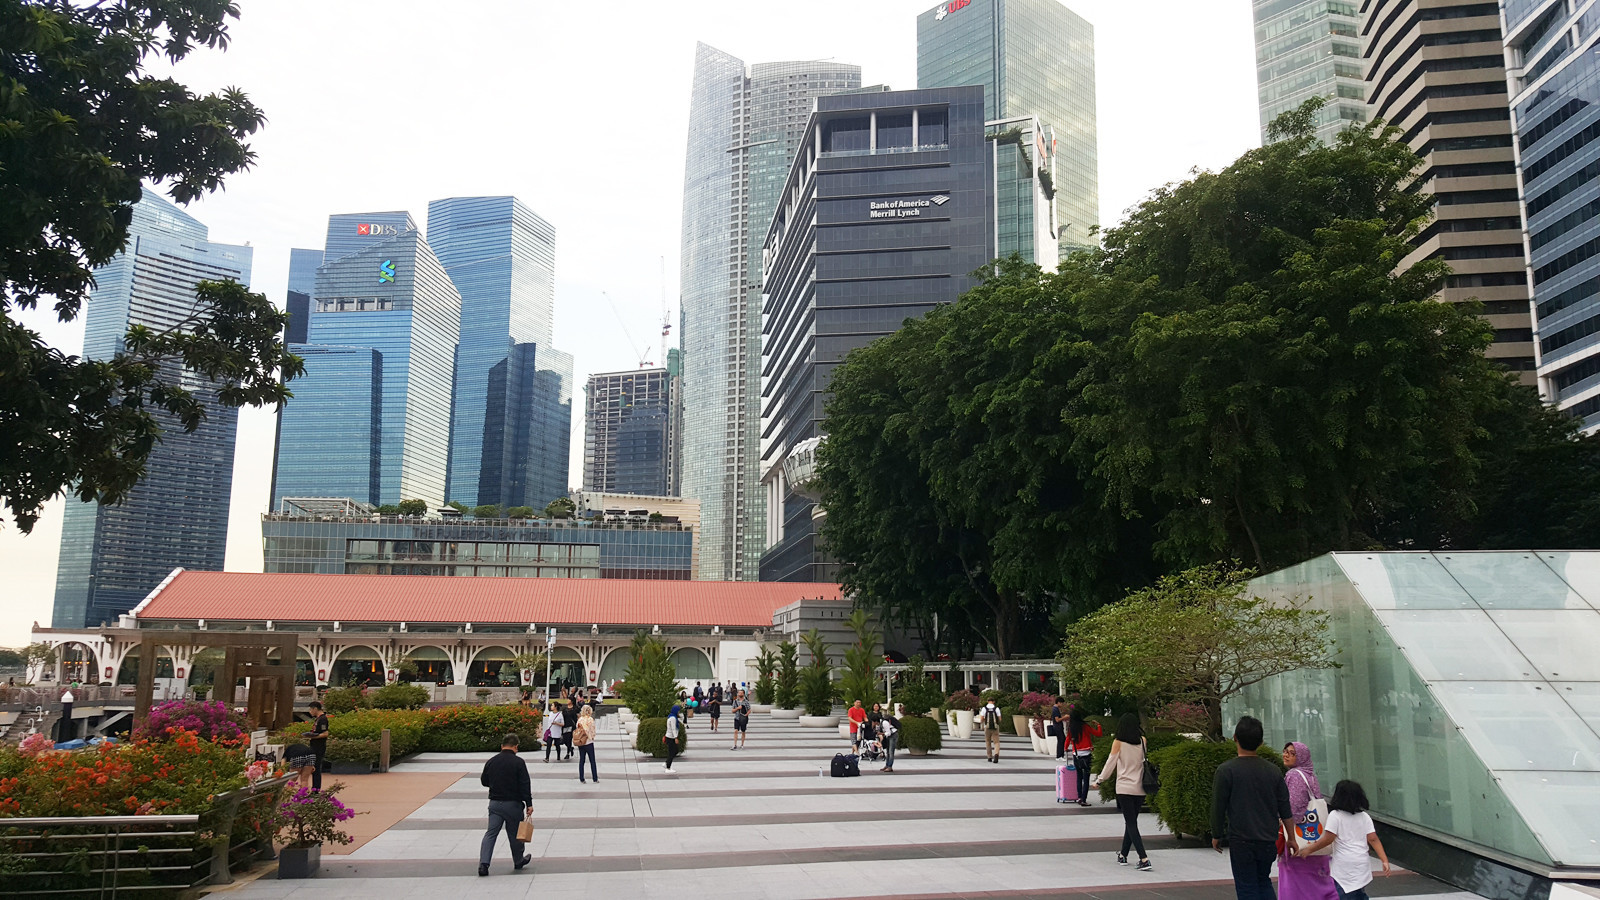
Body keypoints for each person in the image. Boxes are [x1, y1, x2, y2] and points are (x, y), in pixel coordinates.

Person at [1212, 715, 1298, 900]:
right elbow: (1285, 808)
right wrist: (1291, 837)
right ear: (1261, 742)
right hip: (1268, 839)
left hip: (1241, 839)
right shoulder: (1273, 771)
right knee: (1263, 881)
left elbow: (1218, 807)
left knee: (1246, 887)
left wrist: (1216, 834)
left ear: (1235, 737)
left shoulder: (1226, 771)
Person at [1295, 780, 1390, 900]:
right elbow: (1373, 839)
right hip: (1362, 862)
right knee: (1358, 891)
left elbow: (1328, 839)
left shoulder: (1335, 816)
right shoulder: (1364, 817)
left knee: (1344, 893)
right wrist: (1384, 860)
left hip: (1344, 864)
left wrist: (1309, 850)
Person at [1279, 742, 1340, 900]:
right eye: (1285, 751)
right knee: (1317, 880)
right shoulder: (1310, 775)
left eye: (1292, 753)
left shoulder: (1294, 775)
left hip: (1299, 837)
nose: (1286, 755)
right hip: (1314, 839)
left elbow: (1295, 809)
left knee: (1296, 883)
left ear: (1301, 757)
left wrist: (1284, 823)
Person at [1094, 713, 1152, 871]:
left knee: (1131, 823)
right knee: (1131, 822)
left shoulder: (1118, 742)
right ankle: (1123, 855)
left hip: (1124, 788)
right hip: (1140, 787)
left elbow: (1110, 763)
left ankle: (1144, 858)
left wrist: (1100, 780)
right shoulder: (1142, 741)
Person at [478, 733, 533, 876]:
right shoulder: (519, 762)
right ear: (516, 747)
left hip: (495, 804)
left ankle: (484, 864)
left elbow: (484, 781)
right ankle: (518, 860)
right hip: (513, 805)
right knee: (515, 835)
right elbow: (525, 784)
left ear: (502, 746)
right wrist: (529, 804)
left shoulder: (492, 761)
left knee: (490, 834)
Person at [1065, 706, 1103, 807]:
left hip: (1076, 755)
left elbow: (1068, 739)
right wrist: (1098, 725)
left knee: (1079, 777)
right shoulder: (1085, 726)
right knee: (1086, 778)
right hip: (1086, 754)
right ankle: (1083, 799)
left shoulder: (1071, 728)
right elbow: (1098, 734)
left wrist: (1065, 748)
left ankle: (1078, 797)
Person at [306, 701, 330, 791]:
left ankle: (316, 789)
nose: (310, 711)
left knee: (316, 768)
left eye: (311, 709)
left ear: (315, 709)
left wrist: (314, 736)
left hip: (319, 747)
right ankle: (314, 788)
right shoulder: (318, 719)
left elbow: (325, 733)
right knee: (313, 768)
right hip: (314, 745)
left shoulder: (323, 719)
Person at [573, 704, 598, 783]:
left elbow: (577, 728)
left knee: (582, 761)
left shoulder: (580, 720)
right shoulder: (590, 720)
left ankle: (582, 778)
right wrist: (591, 737)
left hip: (581, 742)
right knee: (592, 761)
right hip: (589, 742)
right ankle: (595, 778)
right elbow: (593, 731)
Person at [980, 698, 1003, 763]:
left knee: (988, 742)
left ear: (987, 701)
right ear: (993, 701)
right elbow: (1000, 719)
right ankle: (996, 754)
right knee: (996, 742)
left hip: (987, 727)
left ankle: (989, 757)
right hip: (995, 728)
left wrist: (985, 722)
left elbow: (981, 719)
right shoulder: (996, 709)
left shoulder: (984, 709)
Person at [663, 703, 682, 773]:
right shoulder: (673, 718)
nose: (679, 712)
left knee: (675, 751)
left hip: (669, 736)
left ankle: (666, 763)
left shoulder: (671, 716)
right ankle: (668, 768)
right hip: (671, 737)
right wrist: (675, 738)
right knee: (672, 752)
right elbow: (673, 729)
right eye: (678, 711)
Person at [1051, 696, 1066, 760]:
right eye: (1062, 703)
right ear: (1059, 702)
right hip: (1057, 727)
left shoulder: (1055, 709)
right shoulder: (1055, 709)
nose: (1062, 705)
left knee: (1062, 740)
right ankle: (1059, 756)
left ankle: (1060, 755)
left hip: (1058, 727)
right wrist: (1064, 717)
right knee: (1061, 740)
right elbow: (1057, 719)